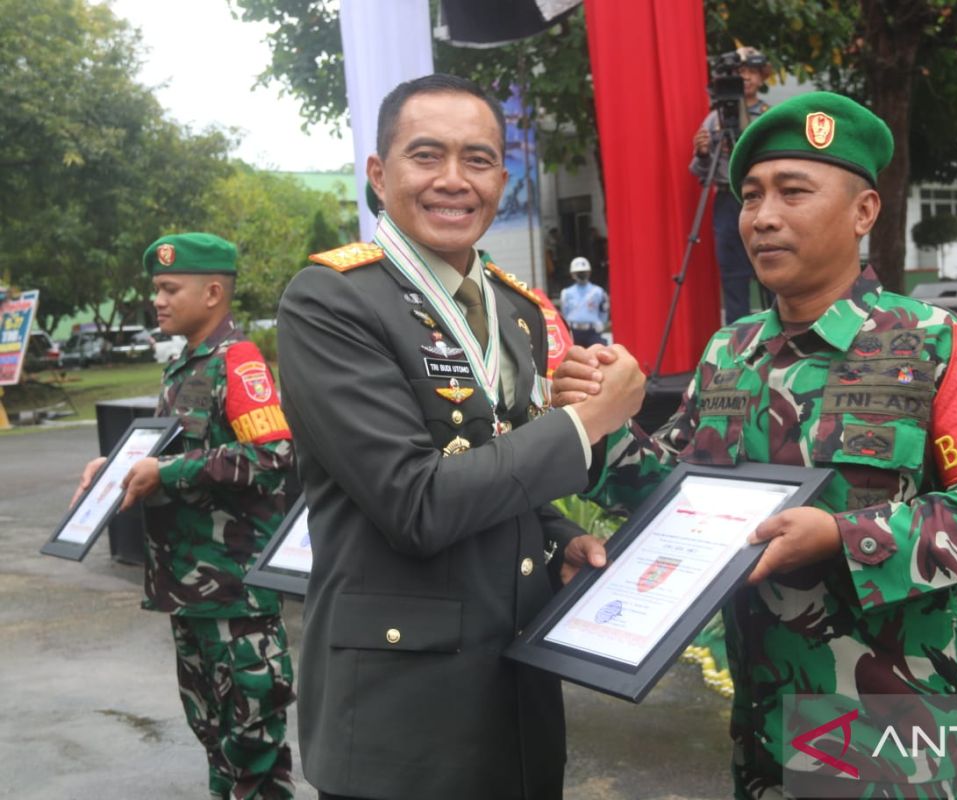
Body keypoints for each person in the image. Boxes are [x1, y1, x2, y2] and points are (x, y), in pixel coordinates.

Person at [554, 93, 957, 799]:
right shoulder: (730, 350)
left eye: (793, 192)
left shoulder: (937, 343)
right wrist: (597, 427)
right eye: (751, 196)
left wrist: (842, 536)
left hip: (886, 721)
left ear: (864, 212)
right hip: (763, 709)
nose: (764, 217)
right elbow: (671, 493)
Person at [274, 73, 645, 800]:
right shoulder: (331, 302)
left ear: (502, 179)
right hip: (398, 717)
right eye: (426, 155)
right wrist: (588, 422)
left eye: (477, 159)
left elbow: (498, 458)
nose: (453, 180)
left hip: (514, 690)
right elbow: (417, 503)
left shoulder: (514, 310)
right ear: (379, 175)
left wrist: (559, 533)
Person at [72, 232, 296, 800]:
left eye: (170, 288)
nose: (159, 300)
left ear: (214, 292)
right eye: (157, 289)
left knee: (253, 753)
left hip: (237, 598)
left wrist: (164, 474)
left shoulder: (238, 362)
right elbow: (170, 452)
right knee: (216, 742)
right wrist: (114, 468)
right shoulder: (185, 368)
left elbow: (273, 456)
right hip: (192, 594)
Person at [691, 46, 772, 323]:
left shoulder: (770, 116)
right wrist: (702, 153)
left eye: (752, 72)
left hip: (764, 198)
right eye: (740, 72)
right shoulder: (715, 119)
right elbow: (702, 172)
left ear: (762, 78)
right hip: (727, 201)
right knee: (733, 275)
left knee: (773, 269)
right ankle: (738, 342)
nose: (746, 77)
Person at [560, 256, 609, 347]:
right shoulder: (566, 293)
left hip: (593, 332)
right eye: (579, 273)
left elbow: (604, 311)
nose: (582, 275)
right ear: (572, 274)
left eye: (584, 272)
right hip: (574, 332)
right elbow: (564, 313)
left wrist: (601, 324)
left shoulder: (598, 291)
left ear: (589, 273)